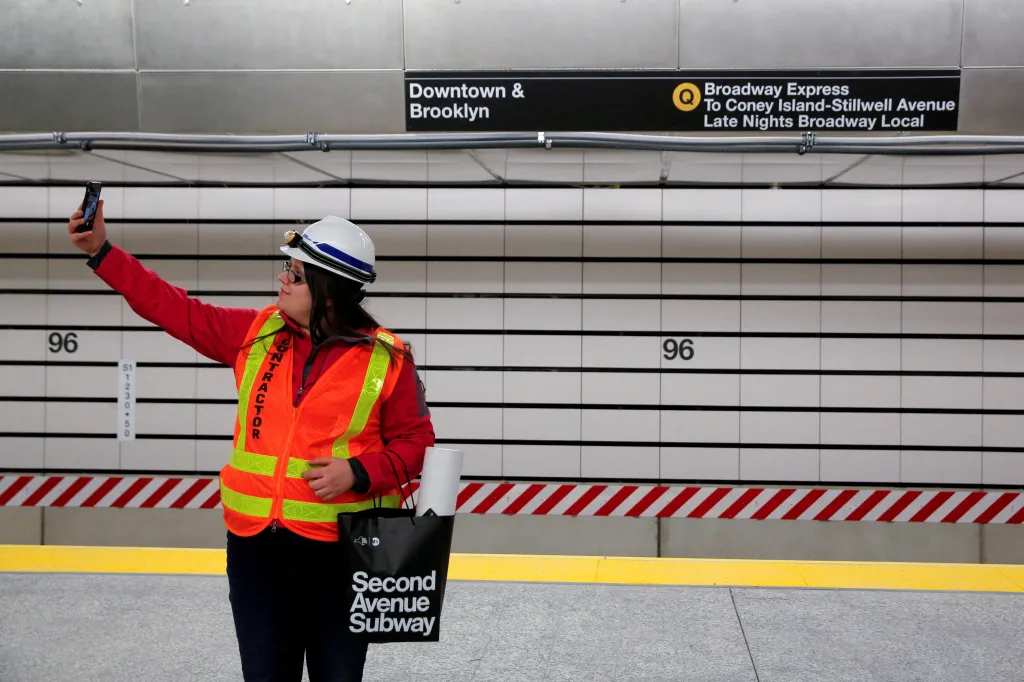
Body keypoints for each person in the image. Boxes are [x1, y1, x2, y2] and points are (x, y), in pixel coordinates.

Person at [68, 200, 435, 682]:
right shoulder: (257, 333)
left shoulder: (388, 358)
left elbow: (417, 445)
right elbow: (173, 308)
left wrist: (360, 472)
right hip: (256, 553)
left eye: (297, 274)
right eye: (287, 268)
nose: (283, 279)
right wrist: (101, 252)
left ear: (329, 293)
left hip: (341, 557)